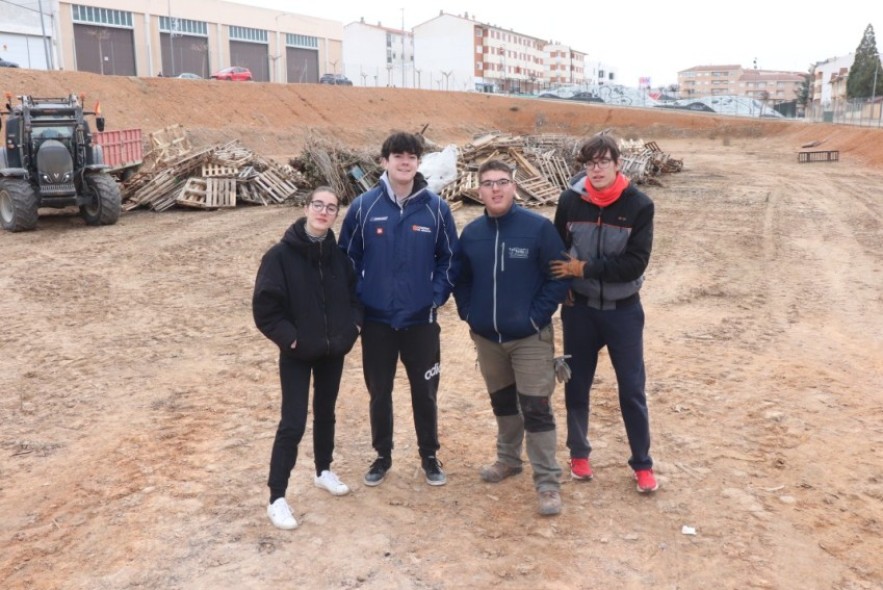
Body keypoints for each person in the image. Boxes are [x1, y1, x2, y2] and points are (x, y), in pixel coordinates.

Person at [339, 131, 459, 487]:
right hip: (377, 322)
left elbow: (449, 259)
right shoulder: (364, 207)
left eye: (411, 156)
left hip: (421, 322)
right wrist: (360, 298)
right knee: (380, 392)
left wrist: (434, 296)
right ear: (384, 161)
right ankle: (382, 456)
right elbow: (347, 259)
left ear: (418, 163)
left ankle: (429, 456)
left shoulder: (436, 208)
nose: (405, 162)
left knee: (425, 392)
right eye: (398, 156)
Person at [453, 159, 570, 516]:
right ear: (479, 190)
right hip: (487, 339)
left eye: (502, 182)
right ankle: (508, 460)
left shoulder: (537, 229)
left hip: (529, 339)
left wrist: (536, 316)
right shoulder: (472, 234)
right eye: (487, 183)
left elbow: (560, 275)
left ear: (514, 187)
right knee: (503, 403)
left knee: (536, 408)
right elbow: (461, 278)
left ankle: (548, 482)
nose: (495, 189)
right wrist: (469, 314)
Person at [550, 133, 659, 493]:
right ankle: (578, 453)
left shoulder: (639, 205)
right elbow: (557, 250)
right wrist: (563, 287)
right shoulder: (570, 201)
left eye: (603, 162)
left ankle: (642, 463)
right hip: (579, 312)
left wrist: (584, 269)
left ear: (617, 164)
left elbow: (634, 264)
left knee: (631, 388)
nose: (595, 169)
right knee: (576, 384)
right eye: (589, 163)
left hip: (623, 312)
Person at [253, 187, 363, 530]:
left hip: (333, 351)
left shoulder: (340, 257)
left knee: (326, 413)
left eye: (331, 208)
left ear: (335, 216)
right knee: (293, 422)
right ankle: (277, 497)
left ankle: (323, 470)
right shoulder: (279, 257)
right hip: (298, 354)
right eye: (318, 204)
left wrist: (352, 329)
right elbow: (266, 309)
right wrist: (293, 340)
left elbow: (355, 297)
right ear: (306, 208)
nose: (324, 211)